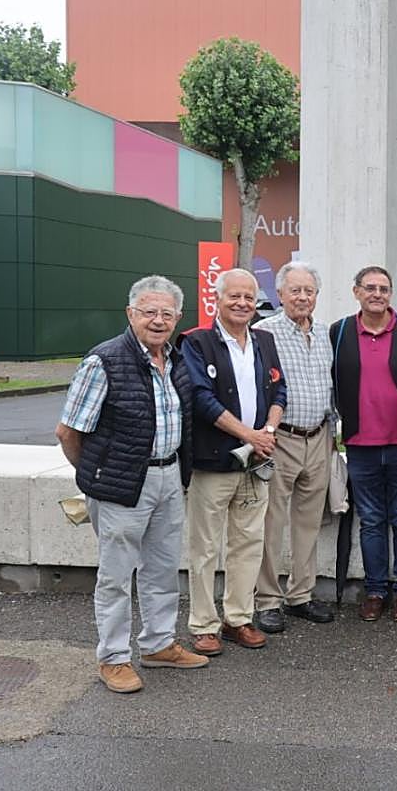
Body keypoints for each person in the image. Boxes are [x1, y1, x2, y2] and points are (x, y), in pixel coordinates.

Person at [56, 275, 208, 693]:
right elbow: (69, 431)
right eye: (148, 312)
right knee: (116, 577)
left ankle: (158, 645)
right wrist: (95, 479)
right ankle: (113, 658)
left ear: (178, 317)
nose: (157, 320)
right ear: (130, 314)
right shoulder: (103, 360)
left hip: (168, 477)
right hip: (121, 487)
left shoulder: (176, 361)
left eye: (166, 313)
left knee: (161, 570)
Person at [181, 268, 287, 656]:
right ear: (218, 299)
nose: (242, 303)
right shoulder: (196, 343)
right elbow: (201, 398)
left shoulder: (264, 340)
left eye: (248, 297)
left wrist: (269, 432)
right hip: (213, 461)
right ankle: (204, 625)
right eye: (234, 297)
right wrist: (249, 435)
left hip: (256, 461)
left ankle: (238, 618)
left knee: (248, 544)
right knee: (205, 547)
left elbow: (280, 389)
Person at [331, 266, 397, 623]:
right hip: (359, 443)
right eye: (369, 288)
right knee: (370, 520)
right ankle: (374, 591)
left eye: (384, 288)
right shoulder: (339, 332)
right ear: (356, 291)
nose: (377, 294)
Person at [252, 262, 336, 633]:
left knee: (308, 523)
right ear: (280, 294)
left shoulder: (324, 332)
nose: (303, 297)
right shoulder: (263, 332)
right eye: (295, 290)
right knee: (271, 523)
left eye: (309, 291)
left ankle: (301, 595)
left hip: (318, 437)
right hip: (280, 439)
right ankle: (267, 600)